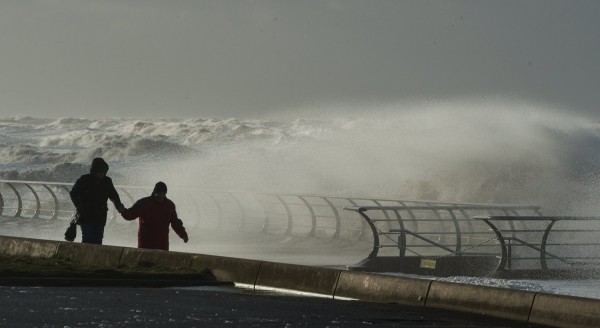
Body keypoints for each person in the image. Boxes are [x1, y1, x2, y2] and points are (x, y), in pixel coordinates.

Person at [69, 157, 125, 244]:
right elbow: (73, 193)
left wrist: (118, 205)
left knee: (98, 239)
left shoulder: (107, 181)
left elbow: (113, 195)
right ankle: (86, 256)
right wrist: (79, 205)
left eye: (103, 171)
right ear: (94, 170)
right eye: (99, 171)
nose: (101, 174)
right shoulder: (84, 179)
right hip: (86, 214)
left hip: (100, 216)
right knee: (88, 238)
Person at [120, 181, 189, 251]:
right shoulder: (144, 203)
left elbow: (175, 223)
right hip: (145, 245)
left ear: (165, 193)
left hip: (162, 245)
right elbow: (131, 215)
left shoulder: (169, 205)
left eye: (162, 194)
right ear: (154, 192)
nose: (160, 196)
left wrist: (183, 235)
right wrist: (122, 210)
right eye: (158, 193)